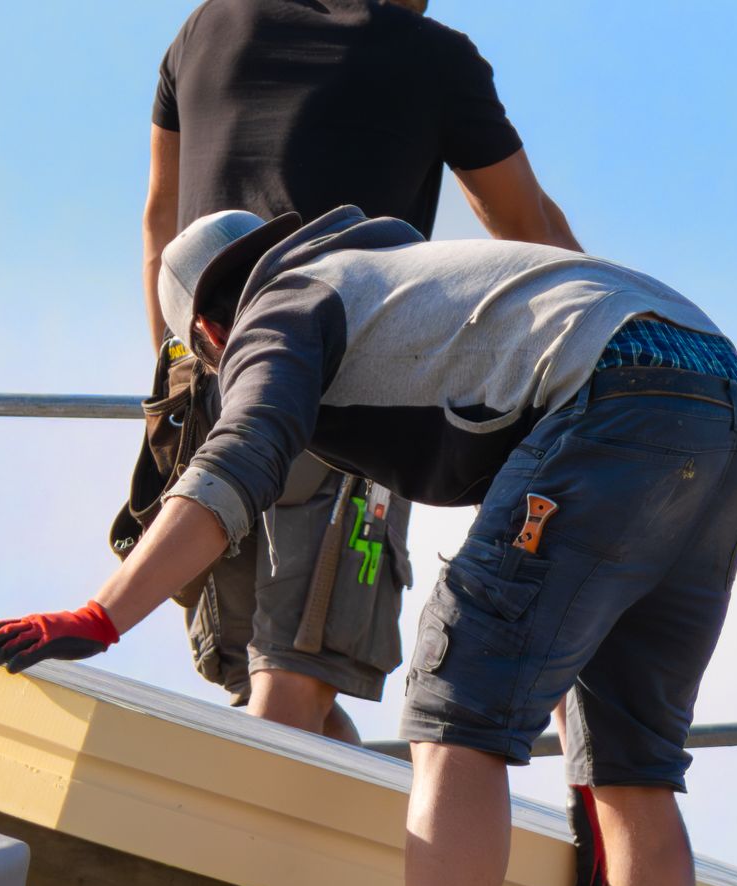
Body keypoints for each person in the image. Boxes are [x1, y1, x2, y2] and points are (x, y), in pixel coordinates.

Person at [0, 207, 737, 886]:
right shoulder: (413, 281)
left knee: (457, 699)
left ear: (212, 334)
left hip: (618, 395)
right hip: (721, 404)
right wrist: (586, 779)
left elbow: (244, 456)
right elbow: (567, 591)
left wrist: (104, 611)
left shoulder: (289, 301)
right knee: (634, 770)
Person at [142, 0, 580, 744]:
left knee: (278, 688)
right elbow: (532, 238)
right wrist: (623, 362)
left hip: (208, 388)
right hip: (344, 395)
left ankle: (373, 860)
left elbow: (160, 222)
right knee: (294, 678)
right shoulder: (432, 57)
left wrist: (177, 372)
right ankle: (273, 862)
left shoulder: (208, 28)